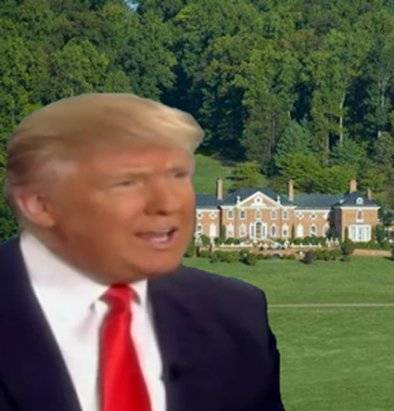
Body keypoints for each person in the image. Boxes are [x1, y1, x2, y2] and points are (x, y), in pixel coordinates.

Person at [0, 94, 284, 411]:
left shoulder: (236, 315)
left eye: (177, 175)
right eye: (128, 181)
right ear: (39, 204)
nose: (168, 203)